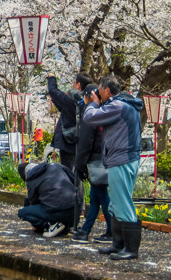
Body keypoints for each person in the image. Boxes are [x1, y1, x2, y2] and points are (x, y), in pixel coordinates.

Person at [81, 75, 145, 260]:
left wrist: (92, 103)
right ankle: (117, 244)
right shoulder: (125, 105)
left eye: (99, 89)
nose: (98, 93)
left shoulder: (117, 106)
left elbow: (90, 118)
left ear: (108, 90)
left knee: (123, 203)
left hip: (122, 159)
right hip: (123, 158)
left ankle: (131, 249)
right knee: (116, 204)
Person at [71, 83, 113, 243]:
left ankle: (111, 231)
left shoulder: (92, 115)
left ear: (89, 96)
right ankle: (85, 231)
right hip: (102, 158)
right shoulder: (104, 111)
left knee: (102, 196)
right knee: (95, 197)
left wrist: (79, 167)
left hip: (95, 161)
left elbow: (85, 142)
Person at [17, 161, 77, 237]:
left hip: (57, 211)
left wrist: (37, 227)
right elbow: (74, 180)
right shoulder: (57, 166)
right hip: (74, 211)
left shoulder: (32, 179)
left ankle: (50, 225)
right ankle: (64, 226)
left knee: (22, 212)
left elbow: (33, 202)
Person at [46, 72, 92, 169]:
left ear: (78, 85)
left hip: (69, 141)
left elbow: (53, 91)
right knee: (77, 173)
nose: (72, 85)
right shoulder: (90, 102)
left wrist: (52, 78)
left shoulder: (73, 101)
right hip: (82, 141)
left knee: (69, 172)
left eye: (74, 82)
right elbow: (64, 109)